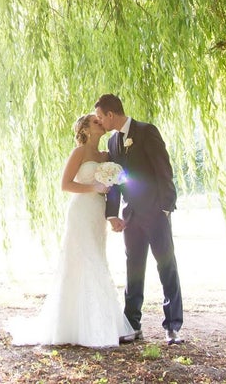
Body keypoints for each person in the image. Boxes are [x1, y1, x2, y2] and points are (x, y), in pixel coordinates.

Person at [8, 114, 136, 348]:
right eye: (95, 122)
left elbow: (115, 186)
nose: (101, 123)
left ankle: (100, 323)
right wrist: (93, 186)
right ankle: (73, 326)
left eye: (100, 121)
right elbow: (65, 184)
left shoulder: (106, 155)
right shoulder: (79, 153)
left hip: (97, 211)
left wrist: (111, 207)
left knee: (97, 258)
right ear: (85, 129)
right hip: (81, 210)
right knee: (83, 260)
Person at [94, 93, 184, 345]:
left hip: (156, 212)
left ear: (111, 114)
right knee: (133, 270)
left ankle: (173, 326)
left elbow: (163, 169)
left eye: (101, 117)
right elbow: (113, 181)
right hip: (131, 216)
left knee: (166, 267)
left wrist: (166, 207)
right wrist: (112, 214)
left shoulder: (146, 131)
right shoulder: (112, 142)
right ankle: (132, 324)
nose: (100, 122)